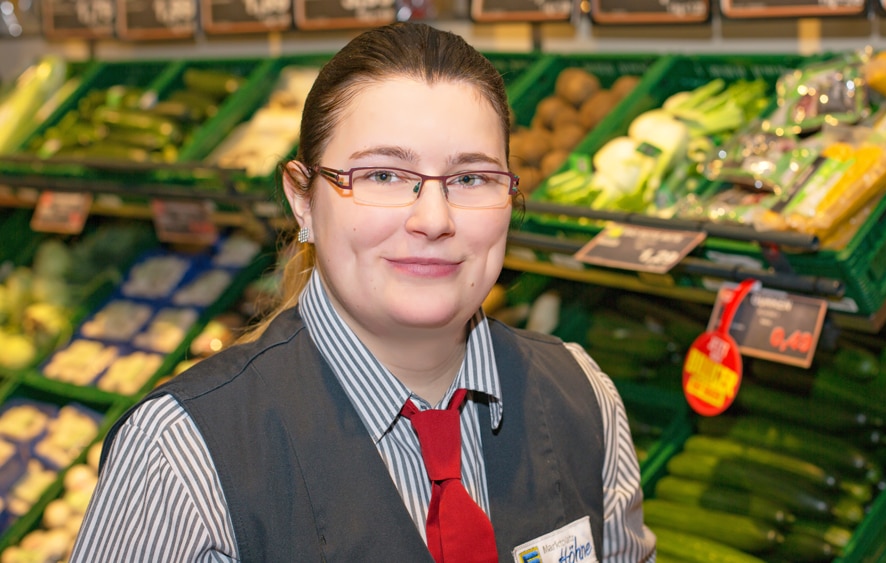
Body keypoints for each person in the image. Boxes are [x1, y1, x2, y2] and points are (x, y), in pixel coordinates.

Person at [70, 22, 656, 562]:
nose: (434, 219)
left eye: (470, 178)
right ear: (303, 200)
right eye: (382, 175)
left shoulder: (585, 397)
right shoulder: (181, 456)